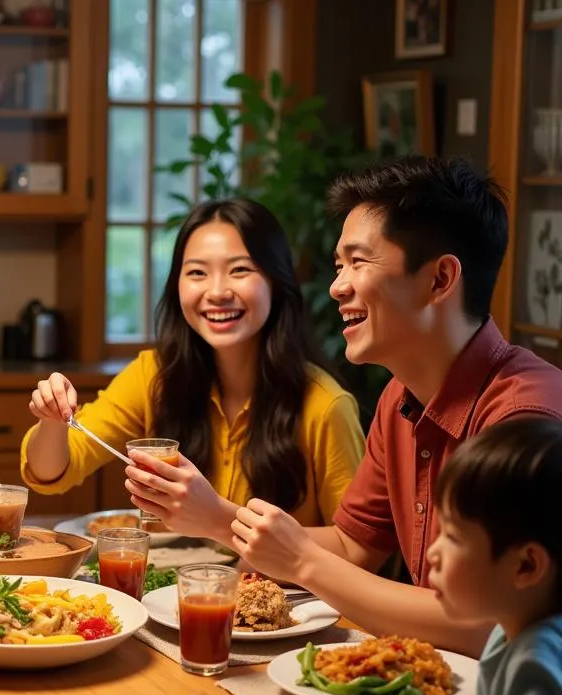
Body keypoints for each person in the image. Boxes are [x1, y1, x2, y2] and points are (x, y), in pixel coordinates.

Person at [126, 156, 562, 656]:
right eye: (339, 265)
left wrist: (301, 564)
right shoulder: (401, 396)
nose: (337, 287)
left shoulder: (526, 420)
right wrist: (213, 517)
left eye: (358, 262)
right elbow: (354, 546)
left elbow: (487, 624)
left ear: (440, 280)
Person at [22, 198, 364, 527]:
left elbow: (358, 550)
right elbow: (52, 473)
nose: (216, 292)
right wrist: (52, 421)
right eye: (197, 272)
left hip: (281, 588)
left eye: (240, 270)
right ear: (177, 286)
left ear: (276, 282)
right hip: (173, 586)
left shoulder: (326, 406)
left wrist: (219, 518)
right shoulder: (154, 375)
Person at [428, 418, 562, 695]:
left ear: (525, 567)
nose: (434, 553)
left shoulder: (538, 654)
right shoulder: (515, 633)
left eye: (452, 537)